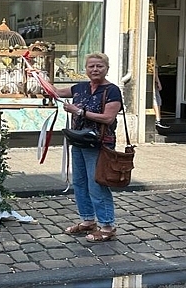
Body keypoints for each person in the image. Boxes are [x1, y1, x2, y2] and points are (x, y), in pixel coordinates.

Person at [42, 53, 122, 242]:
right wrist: (38, 76)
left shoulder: (112, 91)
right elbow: (54, 92)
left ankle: (107, 225)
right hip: (78, 140)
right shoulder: (80, 88)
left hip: (99, 144)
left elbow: (108, 118)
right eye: (91, 66)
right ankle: (88, 221)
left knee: (97, 184)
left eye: (99, 66)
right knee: (79, 182)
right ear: (85, 69)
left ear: (106, 68)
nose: (95, 70)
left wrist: (79, 111)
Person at [153, 64, 170, 129]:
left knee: (157, 100)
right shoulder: (153, 60)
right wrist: (158, 82)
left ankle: (158, 118)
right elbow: (155, 73)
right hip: (153, 83)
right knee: (156, 100)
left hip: (153, 82)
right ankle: (158, 119)